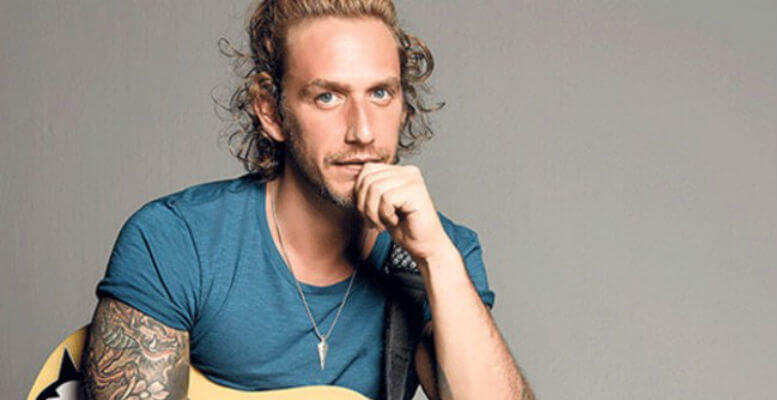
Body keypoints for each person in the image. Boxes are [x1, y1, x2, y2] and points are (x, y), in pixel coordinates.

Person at [82, 1, 534, 399]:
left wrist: (436, 258)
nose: (362, 131)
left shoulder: (443, 253)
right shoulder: (177, 241)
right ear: (271, 111)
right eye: (328, 97)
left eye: (380, 93)